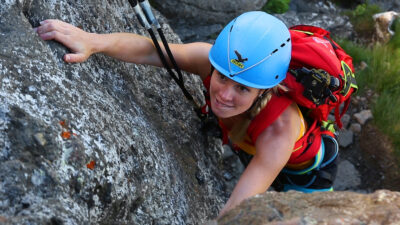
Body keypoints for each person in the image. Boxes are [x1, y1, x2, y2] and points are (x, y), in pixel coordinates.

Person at [35, 11, 338, 218]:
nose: (224, 94)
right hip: (250, 143)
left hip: (306, 171)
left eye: (243, 89)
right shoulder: (216, 61)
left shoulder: (279, 131)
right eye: (222, 78)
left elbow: (236, 209)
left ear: (265, 91)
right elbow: (152, 50)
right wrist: (93, 41)